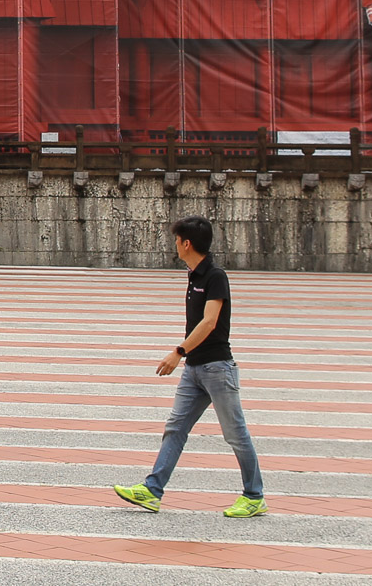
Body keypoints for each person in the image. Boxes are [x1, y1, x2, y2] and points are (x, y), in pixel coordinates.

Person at [113, 215, 267, 518]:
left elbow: (210, 322)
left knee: (235, 434)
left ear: (187, 243)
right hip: (195, 369)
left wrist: (178, 352)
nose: (174, 245)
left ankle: (254, 496)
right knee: (176, 428)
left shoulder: (215, 276)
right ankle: (152, 490)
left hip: (218, 369)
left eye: (176, 240)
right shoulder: (193, 275)